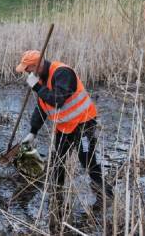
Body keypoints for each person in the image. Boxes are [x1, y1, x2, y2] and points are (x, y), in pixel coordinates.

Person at [15, 50, 112, 201]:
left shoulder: (62, 73)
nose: (26, 73)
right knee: (58, 160)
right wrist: (33, 132)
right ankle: (57, 192)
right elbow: (42, 107)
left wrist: (37, 88)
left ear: (38, 65)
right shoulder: (40, 79)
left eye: (28, 69)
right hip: (65, 126)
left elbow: (57, 100)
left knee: (86, 159)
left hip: (83, 122)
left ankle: (105, 192)